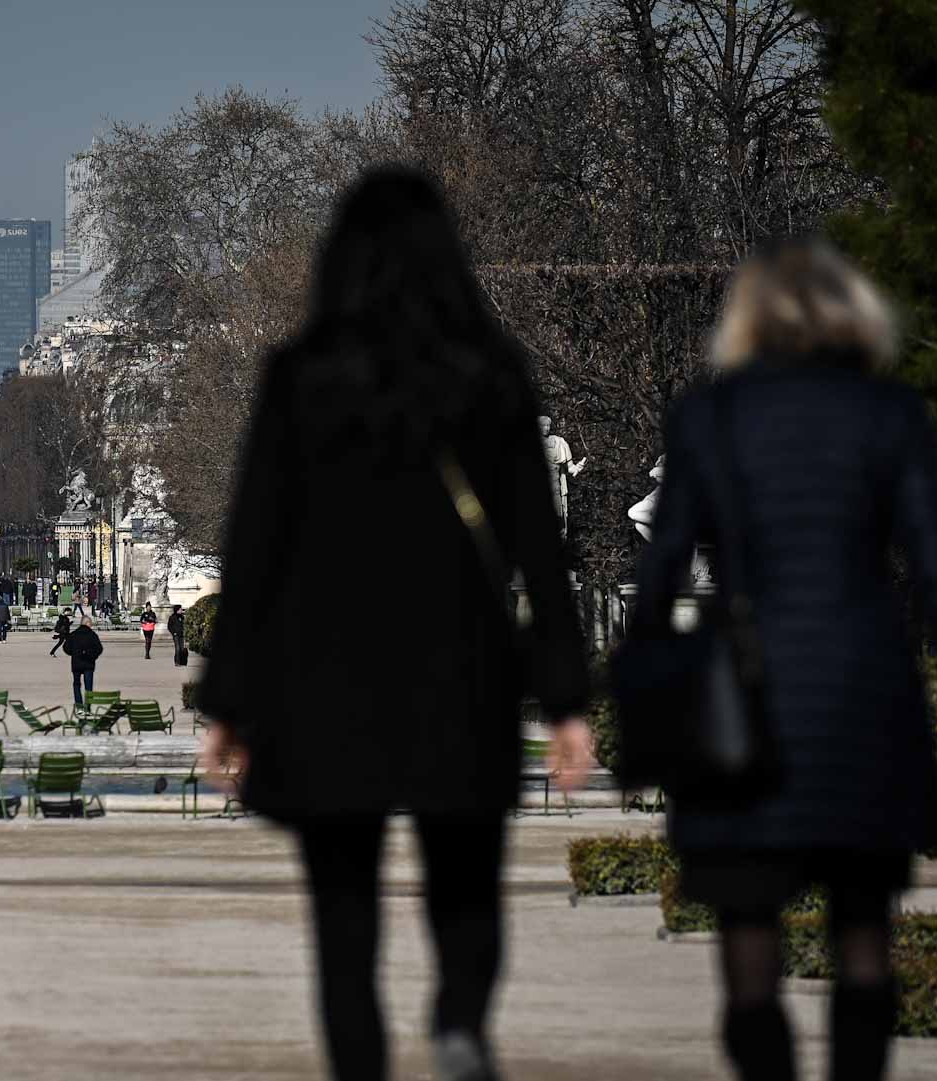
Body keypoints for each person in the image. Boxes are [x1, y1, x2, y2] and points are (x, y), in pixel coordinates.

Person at [194, 168, 594, 1081]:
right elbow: (541, 545)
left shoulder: (298, 378)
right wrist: (567, 698)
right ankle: (458, 1020)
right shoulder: (493, 375)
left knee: (344, 924)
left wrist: (229, 702)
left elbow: (253, 552)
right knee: (465, 891)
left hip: (327, 677)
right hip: (463, 666)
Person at [627, 238, 937, 1081]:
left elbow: (659, 572)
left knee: (747, 958)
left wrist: (647, 702)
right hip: (863, 696)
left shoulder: (709, 414)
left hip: (748, 702)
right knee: (864, 944)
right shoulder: (888, 413)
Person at [61, 615, 103, 706]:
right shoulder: (92, 635)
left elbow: (66, 647)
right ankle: (87, 707)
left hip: (76, 663)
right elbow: (99, 648)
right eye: (90, 624)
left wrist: (73, 653)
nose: (91, 625)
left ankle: (79, 705)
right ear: (87, 623)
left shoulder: (74, 634)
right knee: (88, 687)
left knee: (76, 685)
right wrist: (92, 656)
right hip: (89, 663)